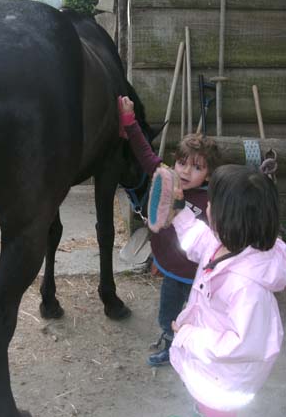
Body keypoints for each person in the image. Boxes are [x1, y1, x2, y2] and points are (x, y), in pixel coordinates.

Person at [168, 162, 286, 416]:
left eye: (212, 203)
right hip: (209, 365)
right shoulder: (228, 242)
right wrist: (178, 211)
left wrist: (188, 335)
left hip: (223, 385)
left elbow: (243, 345)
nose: (207, 207)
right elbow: (197, 239)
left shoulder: (246, 287)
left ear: (228, 218)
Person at [118, 96, 221, 367]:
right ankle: (170, 344)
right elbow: (144, 153)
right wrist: (129, 122)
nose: (186, 171)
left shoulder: (212, 201)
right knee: (169, 314)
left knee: (199, 317)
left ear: (208, 175)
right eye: (182, 163)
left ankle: (197, 353)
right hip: (172, 270)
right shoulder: (167, 179)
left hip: (199, 275)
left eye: (197, 167)